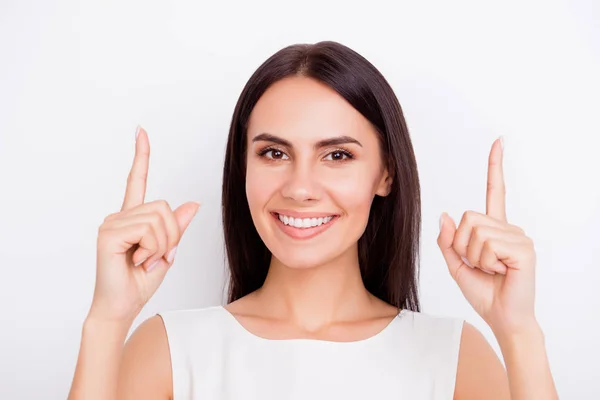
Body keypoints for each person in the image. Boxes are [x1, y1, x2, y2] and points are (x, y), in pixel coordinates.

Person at [68, 41, 558, 399]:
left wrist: (519, 331)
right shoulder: (170, 351)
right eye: (275, 152)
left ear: (385, 174)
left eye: (338, 155)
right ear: (244, 167)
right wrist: (107, 320)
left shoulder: (454, 357)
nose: (300, 187)